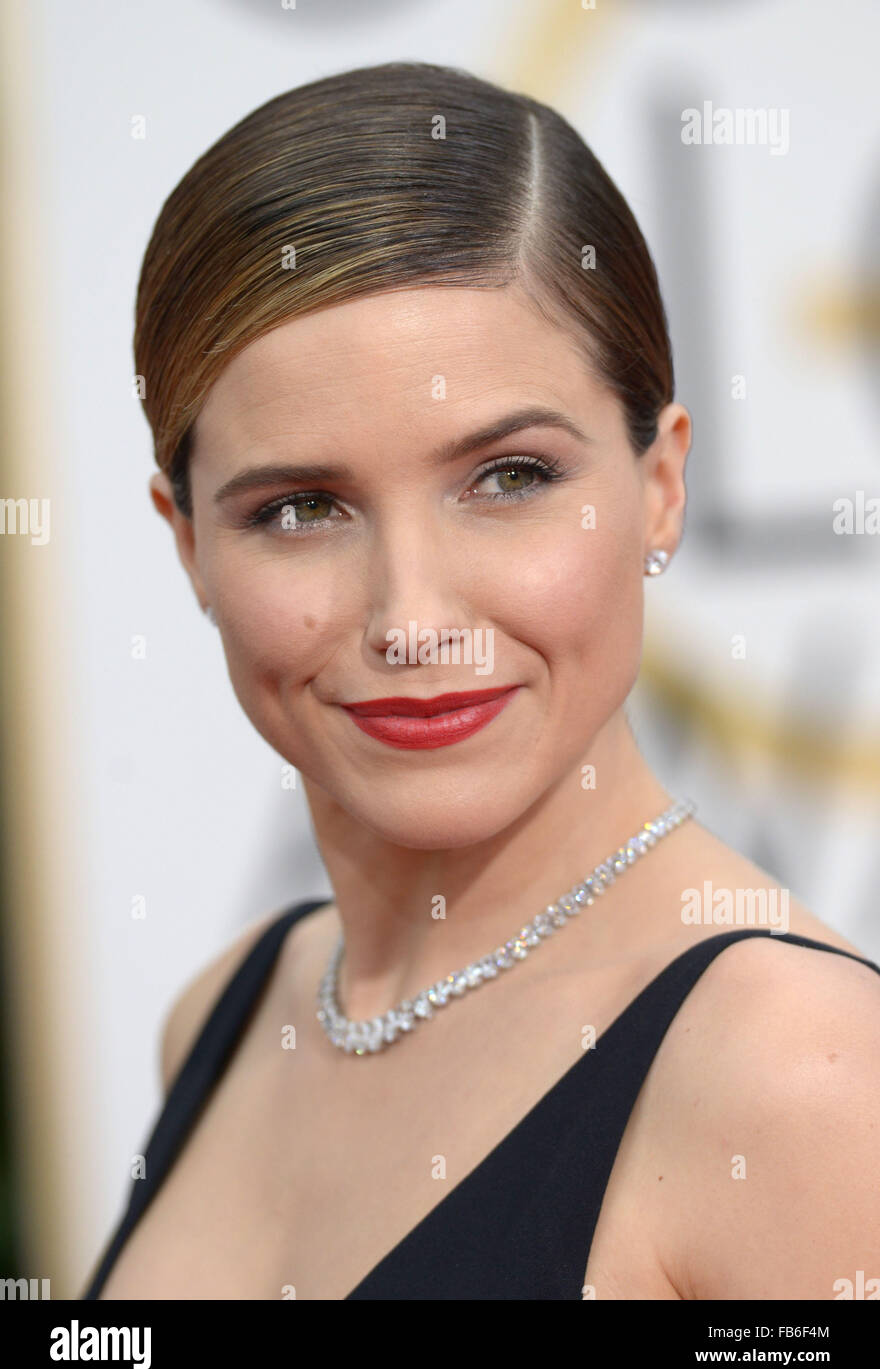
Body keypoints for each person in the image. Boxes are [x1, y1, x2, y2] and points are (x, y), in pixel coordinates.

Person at [81, 60, 880, 1301]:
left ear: (659, 484)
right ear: (187, 542)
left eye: (507, 478)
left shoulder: (802, 1076)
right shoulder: (225, 1017)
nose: (411, 620)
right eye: (300, 508)